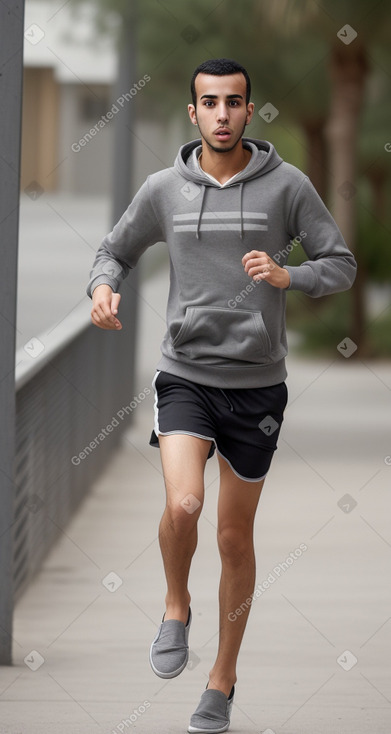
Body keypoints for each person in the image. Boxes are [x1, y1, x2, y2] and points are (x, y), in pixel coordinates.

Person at [87, 58, 357, 733]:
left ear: (248, 110)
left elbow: (341, 265)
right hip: (184, 373)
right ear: (192, 113)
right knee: (184, 503)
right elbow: (113, 250)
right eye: (209, 103)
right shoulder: (163, 190)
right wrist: (100, 287)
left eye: (233, 102)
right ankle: (176, 605)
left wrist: (287, 275)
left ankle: (221, 679)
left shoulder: (286, 186)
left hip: (257, 387)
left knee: (234, 540)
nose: (221, 114)